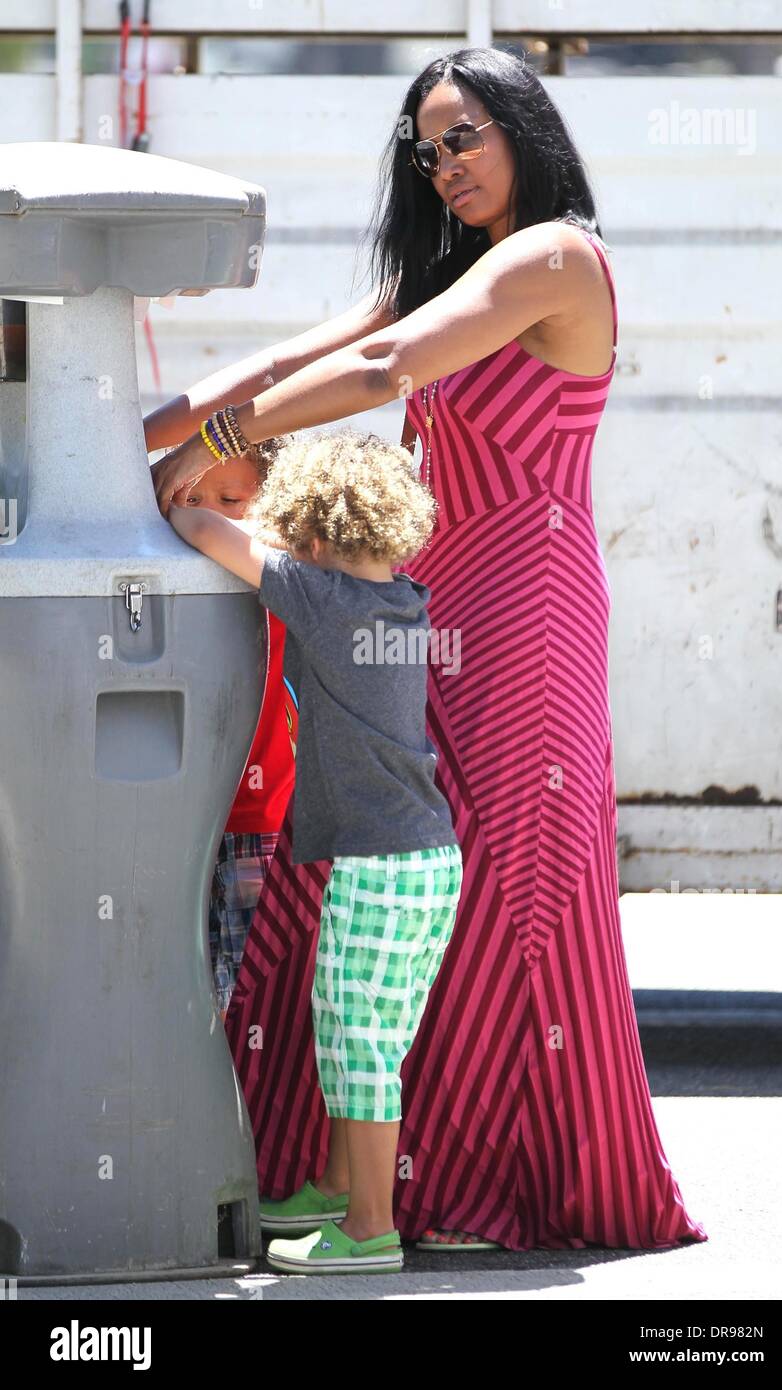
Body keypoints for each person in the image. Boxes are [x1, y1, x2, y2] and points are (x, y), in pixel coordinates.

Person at [146, 46, 708, 1253]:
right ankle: (344, 1173)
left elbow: (384, 370)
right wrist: (139, 432)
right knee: (368, 872)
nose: (446, 162)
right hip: (424, 615)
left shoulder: (557, 257)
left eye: (466, 136)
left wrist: (225, 440)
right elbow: (303, 353)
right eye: (428, 145)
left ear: (524, 130)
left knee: (496, 885)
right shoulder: (447, 270)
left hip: (526, 622)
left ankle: (469, 1180)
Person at [167, 427, 463, 1274]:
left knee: (360, 1045)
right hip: (425, 861)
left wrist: (183, 496)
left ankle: (370, 1229)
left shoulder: (323, 599)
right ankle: (336, 1187)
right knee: (360, 1031)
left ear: (317, 537)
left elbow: (205, 534)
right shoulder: (406, 600)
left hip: (380, 864)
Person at [172, 439, 298, 1021]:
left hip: (263, 821)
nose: (207, 513)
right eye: (191, 497)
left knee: (245, 999)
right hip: (185, 823)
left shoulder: (287, 578)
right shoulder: (165, 584)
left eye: (230, 498)